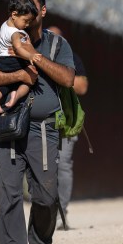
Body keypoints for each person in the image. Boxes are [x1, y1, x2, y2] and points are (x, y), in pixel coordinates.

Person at [0, 0, 75, 244]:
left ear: (42, 11)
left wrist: (34, 56)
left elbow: (68, 79)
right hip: (8, 125)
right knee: (9, 192)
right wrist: (19, 75)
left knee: (46, 195)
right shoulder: (5, 39)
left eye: (32, 8)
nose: (27, 13)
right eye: (22, 9)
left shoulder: (57, 45)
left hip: (43, 128)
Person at [48, 25, 89, 228]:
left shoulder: (71, 57)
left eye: (58, 38)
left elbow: (82, 86)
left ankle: (61, 213)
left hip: (67, 121)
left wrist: (58, 75)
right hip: (41, 119)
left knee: (63, 165)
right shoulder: (34, 55)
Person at [0, 0, 44, 116]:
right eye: (25, 21)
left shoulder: (4, 25)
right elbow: (18, 49)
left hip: (2, 61)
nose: (27, 25)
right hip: (13, 61)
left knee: (4, 85)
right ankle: (16, 95)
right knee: (30, 80)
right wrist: (29, 56)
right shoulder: (16, 33)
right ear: (14, 15)